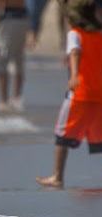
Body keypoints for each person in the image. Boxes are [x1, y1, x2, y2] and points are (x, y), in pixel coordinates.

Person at [36, 0, 102, 188]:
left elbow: (74, 52)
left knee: (62, 134)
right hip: (99, 93)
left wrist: (73, 75)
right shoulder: (98, 34)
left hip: (79, 93)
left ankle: (57, 176)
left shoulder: (75, 34)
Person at [0, 0, 29, 112]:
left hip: (8, 20)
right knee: (18, 59)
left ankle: (4, 101)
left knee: (2, 60)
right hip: (23, 18)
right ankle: (16, 98)